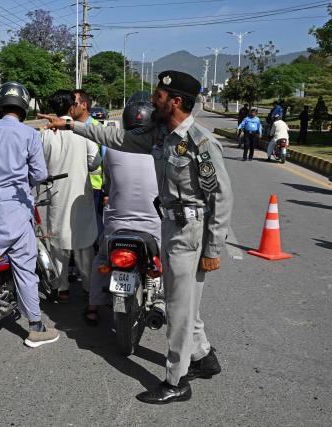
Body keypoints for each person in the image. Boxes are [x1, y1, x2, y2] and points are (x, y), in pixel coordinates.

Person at [39, 70, 233, 404]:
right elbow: (114, 139)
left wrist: (213, 247)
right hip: (169, 226)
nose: (153, 99)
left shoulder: (201, 143)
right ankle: (204, 357)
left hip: (191, 232)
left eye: (158, 95)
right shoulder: (160, 136)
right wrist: (70, 125)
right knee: (182, 300)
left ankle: (176, 381)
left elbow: (222, 198)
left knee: (178, 309)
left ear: (175, 102)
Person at [0, 81, 60, 348]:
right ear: (23, 108)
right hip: (12, 215)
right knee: (26, 268)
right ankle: (36, 327)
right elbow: (39, 174)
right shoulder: (29, 135)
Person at [84, 93, 161, 326]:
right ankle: (162, 300)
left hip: (117, 224)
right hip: (153, 225)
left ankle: (92, 307)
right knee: (164, 260)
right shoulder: (159, 150)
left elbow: (108, 182)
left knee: (101, 259)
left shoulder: (112, 148)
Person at [41, 90, 101, 303]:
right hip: (80, 196)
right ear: (70, 108)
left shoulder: (46, 133)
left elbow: (39, 166)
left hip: (55, 194)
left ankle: (62, 288)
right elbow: (95, 162)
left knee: (57, 243)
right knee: (84, 244)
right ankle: (88, 288)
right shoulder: (82, 130)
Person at [72, 89, 105, 247]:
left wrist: (107, 190)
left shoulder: (98, 129)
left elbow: (107, 162)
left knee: (94, 233)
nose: (71, 107)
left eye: (74, 103)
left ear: (84, 105)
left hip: (95, 189)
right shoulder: (69, 127)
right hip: (73, 188)